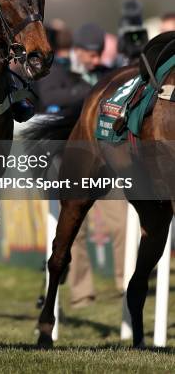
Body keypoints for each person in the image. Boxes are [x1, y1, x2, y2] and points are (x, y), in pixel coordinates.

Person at [68, 22, 127, 308]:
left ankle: (124, 283)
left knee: (122, 224)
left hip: (106, 165)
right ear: (76, 51)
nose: (95, 59)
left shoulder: (109, 76)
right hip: (70, 165)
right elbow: (52, 100)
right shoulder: (57, 73)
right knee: (74, 231)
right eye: (90, 54)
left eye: (98, 54)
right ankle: (81, 293)